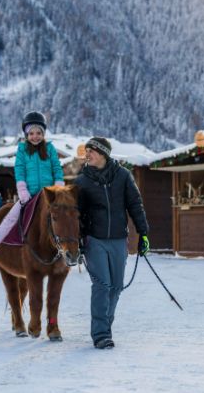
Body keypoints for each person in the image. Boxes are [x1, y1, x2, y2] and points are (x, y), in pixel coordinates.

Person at [75, 137, 150, 350]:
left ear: (104, 154)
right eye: (86, 151)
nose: (87, 154)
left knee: (116, 286)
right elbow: (76, 215)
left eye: (92, 151)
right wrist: (80, 241)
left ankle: (105, 326)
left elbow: (135, 205)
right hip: (94, 239)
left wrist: (143, 233)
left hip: (118, 239)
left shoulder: (123, 176)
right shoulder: (82, 182)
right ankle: (100, 334)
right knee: (102, 285)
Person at [0, 111, 65, 264]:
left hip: (50, 194)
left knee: (67, 214)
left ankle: (76, 247)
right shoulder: (22, 150)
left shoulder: (50, 148)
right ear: (26, 135)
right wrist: (22, 189)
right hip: (30, 194)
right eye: (31, 133)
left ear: (43, 133)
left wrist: (58, 186)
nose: (35, 136)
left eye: (38, 133)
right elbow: (19, 170)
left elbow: (57, 168)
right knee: (10, 217)